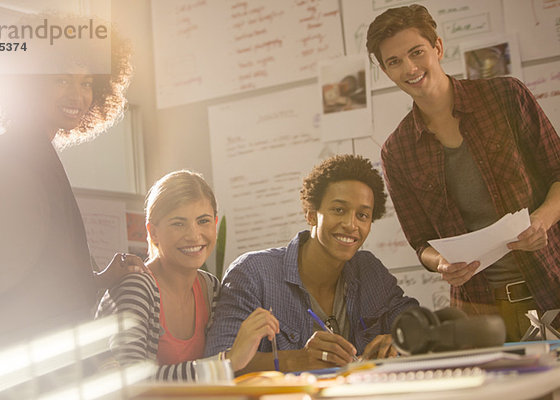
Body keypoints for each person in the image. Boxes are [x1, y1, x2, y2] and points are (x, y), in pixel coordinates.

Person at [366, 4, 560, 341]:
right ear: (385, 71)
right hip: (482, 312)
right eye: (394, 62)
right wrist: (440, 262)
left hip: (552, 283)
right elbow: (420, 242)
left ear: (437, 48)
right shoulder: (397, 152)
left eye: (417, 52)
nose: (410, 68)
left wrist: (541, 219)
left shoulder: (506, 96)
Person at [0, 15, 146, 360]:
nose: (77, 95)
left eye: (87, 82)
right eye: (62, 80)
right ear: (28, 83)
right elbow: (14, 274)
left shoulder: (34, 148)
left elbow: (45, 264)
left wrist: (101, 277)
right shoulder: (19, 150)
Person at [205, 155, 418, 374]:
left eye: (362, 215)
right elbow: (219, 363)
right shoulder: (253, 273)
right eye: (339, 210)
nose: (350, 224)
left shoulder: (369, 270)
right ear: (311, 215)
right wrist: (298, 360)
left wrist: (400, 340)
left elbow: (417, 322)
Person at [96, 170, 279, 381]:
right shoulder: (135, 286)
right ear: (153, 232)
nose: (194, 235)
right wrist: (226, 363)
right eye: (178, 223)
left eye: (203, 221)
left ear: (215, 223)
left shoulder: (210, 287)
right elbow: (132, 382)